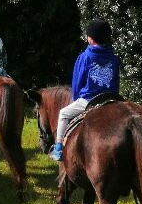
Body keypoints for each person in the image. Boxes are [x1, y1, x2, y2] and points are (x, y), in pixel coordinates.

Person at [48, 17, 121, 161]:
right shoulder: (113, 57)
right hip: (111, 99)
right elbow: (116, 81)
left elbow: (77, 82)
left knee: (63, 114)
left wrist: (76, 98)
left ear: (91, 38)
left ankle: (58, 149)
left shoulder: (85, 57)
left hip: (89, 100)